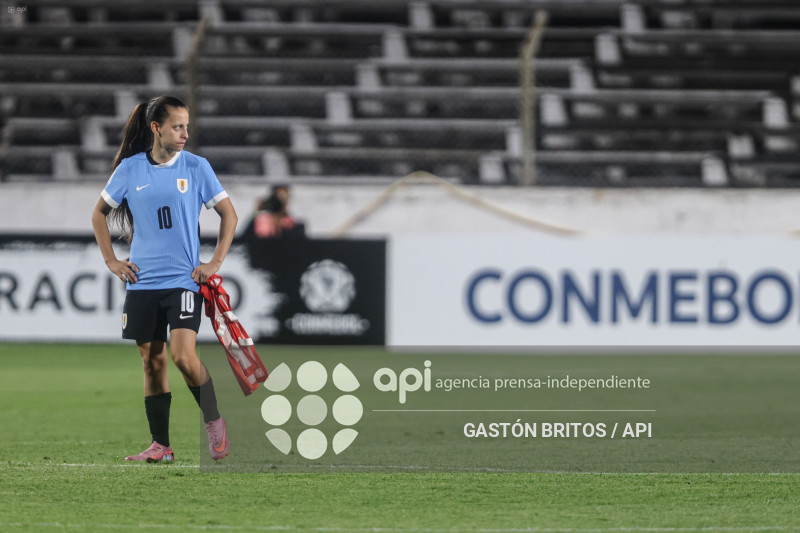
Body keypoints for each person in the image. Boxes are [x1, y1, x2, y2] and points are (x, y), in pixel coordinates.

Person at [91, 96, 238, 463]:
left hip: (183, 281)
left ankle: (214, 420)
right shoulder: (130, 169)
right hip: (142, 281)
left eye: (187, 125)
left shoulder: (196, 167)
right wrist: (111, 260)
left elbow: (229, 215)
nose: (185, 133)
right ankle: (161, 446)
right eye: (177, 126)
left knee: (183, 356)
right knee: (152, 362)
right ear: (156, 128)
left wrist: (215, 262)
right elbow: (99, 214)